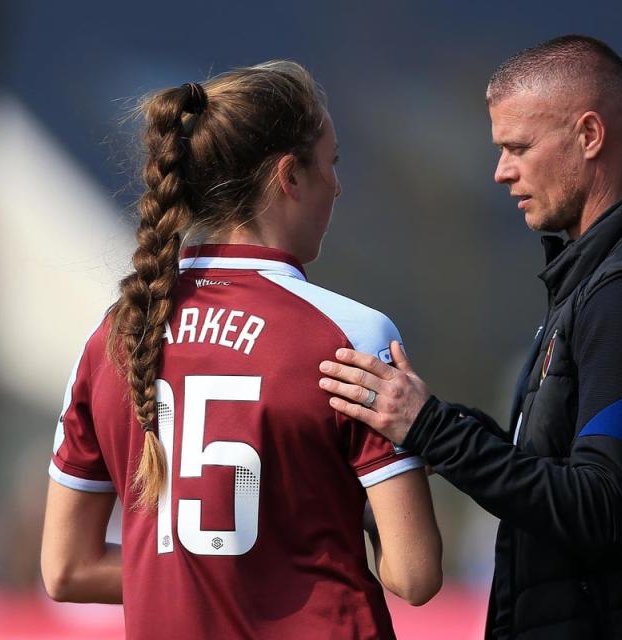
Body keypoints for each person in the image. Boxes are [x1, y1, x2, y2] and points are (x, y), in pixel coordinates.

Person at [319, 35, 622, 639]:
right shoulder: (609, 271)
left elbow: (599, 504)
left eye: (517, 147)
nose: (500, 171)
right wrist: (446, 435)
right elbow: (566, 472)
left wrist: (432, 427)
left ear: (589, 136)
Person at [40, 61, 442, 640]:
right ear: (290, 177)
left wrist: (205, 575)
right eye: (331, 164)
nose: (337, 184)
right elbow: (415, 574)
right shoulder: (353, 333)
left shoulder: (113, 336)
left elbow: (66, 569)